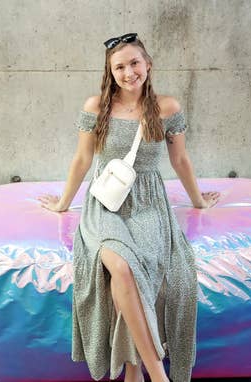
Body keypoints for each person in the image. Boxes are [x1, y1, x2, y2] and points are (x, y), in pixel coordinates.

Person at [38, 33, 219, 382]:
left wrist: (198, 201)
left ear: (148, 65)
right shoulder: (96, 106)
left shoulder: (167, 108)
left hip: (149, 202)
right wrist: (63, 203)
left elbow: (180, 160)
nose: (128, 72)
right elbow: (82, 159)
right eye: (119, 66)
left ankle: (134, 373)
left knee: (147, 271)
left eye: (134, 63)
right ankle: (158, 375)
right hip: (105, 204)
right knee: (120, 266)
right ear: (110, 72)